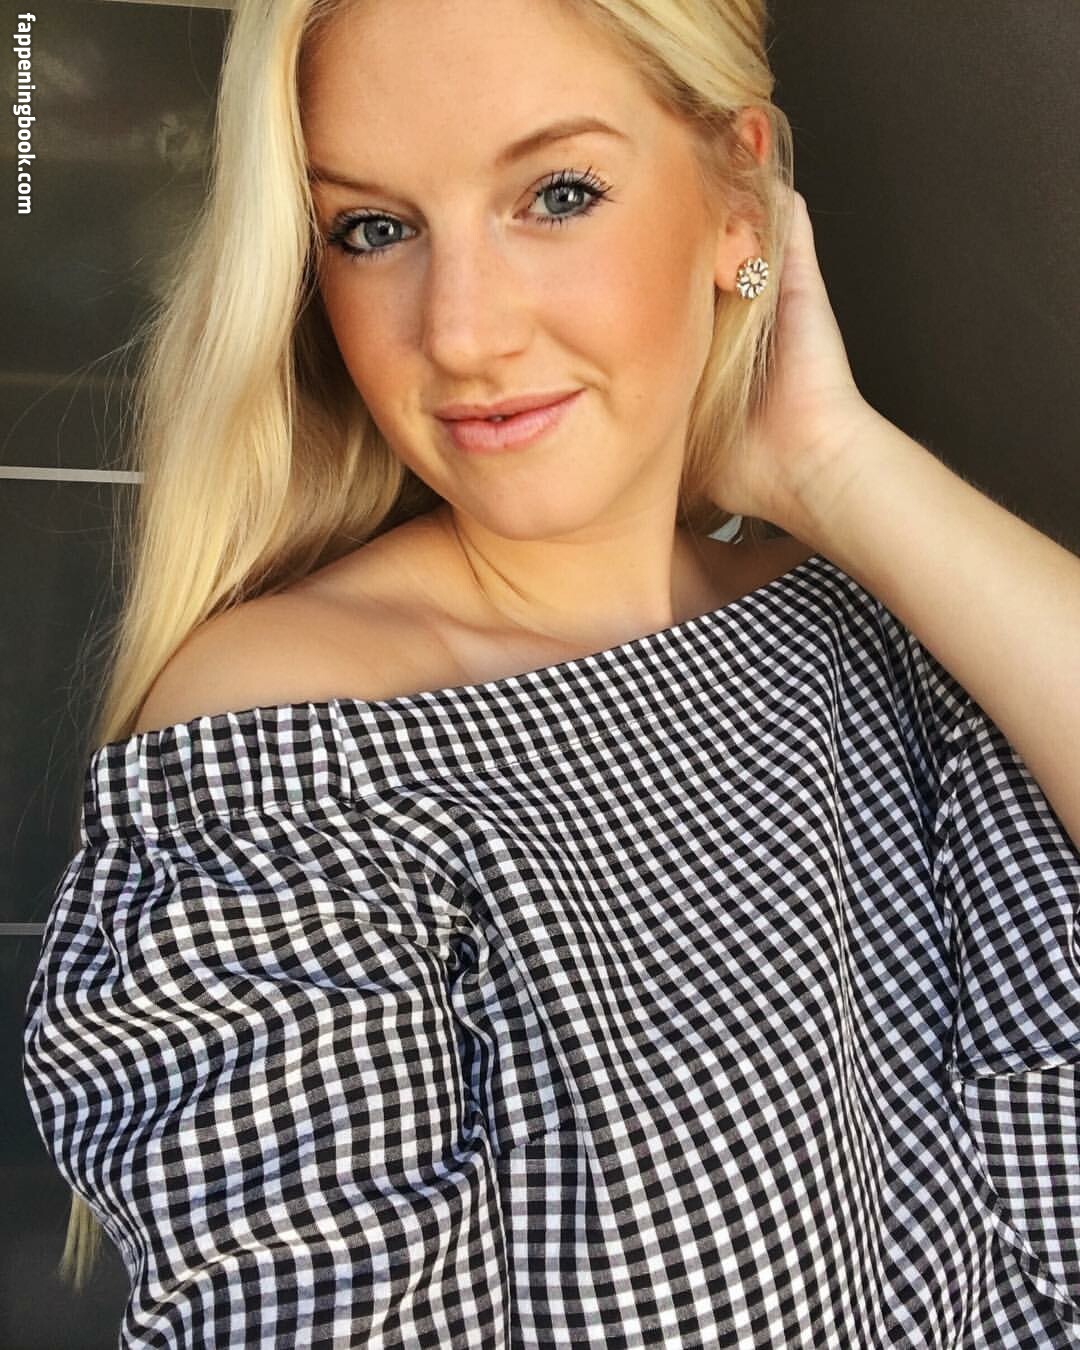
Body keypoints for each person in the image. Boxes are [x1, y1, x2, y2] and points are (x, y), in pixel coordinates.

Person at [21, 0, 1080, 1343]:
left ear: (738, 194)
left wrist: (833, 462)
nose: (461, 332)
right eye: (373, 228)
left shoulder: (875, 628)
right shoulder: (294, 747)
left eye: (558, 195)